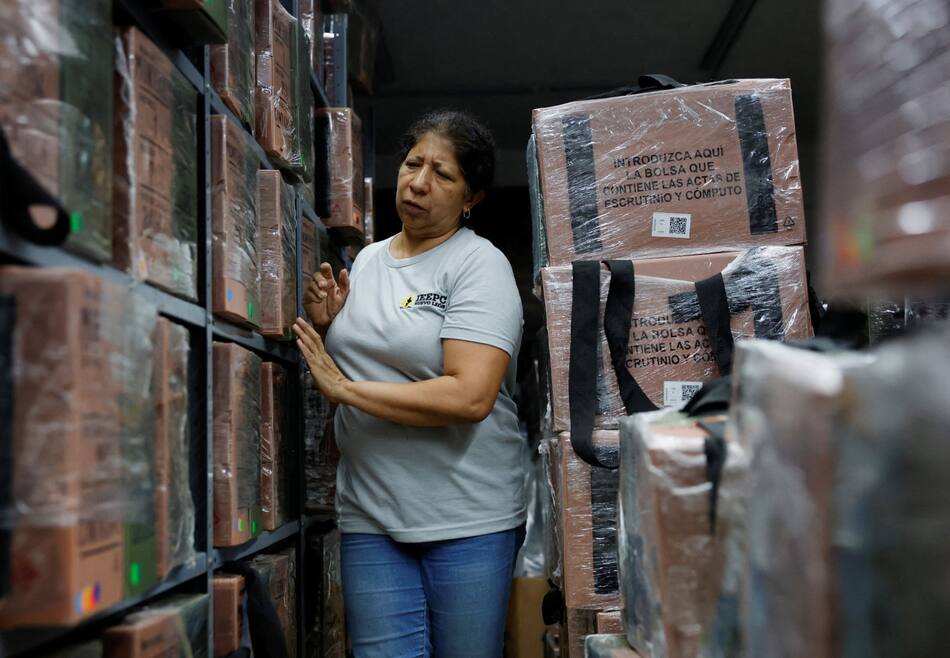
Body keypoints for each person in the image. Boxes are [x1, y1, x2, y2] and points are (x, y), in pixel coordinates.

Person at [294, 109, 526, 657]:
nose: (419, 182)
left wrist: (344, 389)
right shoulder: (368, 261)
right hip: (373, 513)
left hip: (467, 516)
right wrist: (330, 328)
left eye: (443, 174)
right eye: (412, 163)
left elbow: (469, 397)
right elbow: (372, 357)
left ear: (472, 198)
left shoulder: (477, 264)